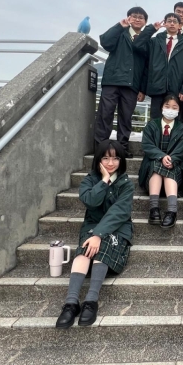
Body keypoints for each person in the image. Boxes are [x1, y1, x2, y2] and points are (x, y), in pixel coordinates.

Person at [55, 140, 133, 329]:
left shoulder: (126, 183)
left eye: (115, 158)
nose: (111, 163)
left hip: (118, 227)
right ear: (98, 160)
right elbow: (90, 201)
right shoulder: (90, 180)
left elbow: (119, 212)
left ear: (121, 160)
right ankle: (71, 303)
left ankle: (91, 300)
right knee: (84, 250)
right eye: (105, 158)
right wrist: (104, 180)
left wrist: (99, 234)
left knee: (103, 246)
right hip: (92, 224)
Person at [95, 7, 148, 158]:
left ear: (145, 22)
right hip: (112, 81)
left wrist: (143, 89)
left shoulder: (146, 40)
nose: (137, 19)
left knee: (126, 118)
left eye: (141, 17)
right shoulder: (120, 33)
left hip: (132, 84)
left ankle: (122, 148)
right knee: (105, 114)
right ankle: (100, 147)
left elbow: (147, 67)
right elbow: (105, 42)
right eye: (134, 16)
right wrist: (119, 26)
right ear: (128, 18)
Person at [138, 95, 183, 229]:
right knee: (157, 165)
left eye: (174, 107)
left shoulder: (182, 129)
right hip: (151, 167)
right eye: (167, 106)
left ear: (179, 110)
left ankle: (171, 211)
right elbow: (147, 145)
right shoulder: (151, 125)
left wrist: (172, 159)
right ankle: (154, 208)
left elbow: (181, 149)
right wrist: (161, 156)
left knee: (168, 167)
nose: (170, 110)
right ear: (161, 107)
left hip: (174, 165)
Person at [133, 13, 183, 121]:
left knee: (174, 119)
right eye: (169, 21)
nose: (172, 24)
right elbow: (138, 45)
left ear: (179, 25)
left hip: (175, 88)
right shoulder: (155, 41)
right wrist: (152, 29)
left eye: (175, 22)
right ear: (165, 24)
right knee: (155, 119)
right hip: (157, 86)